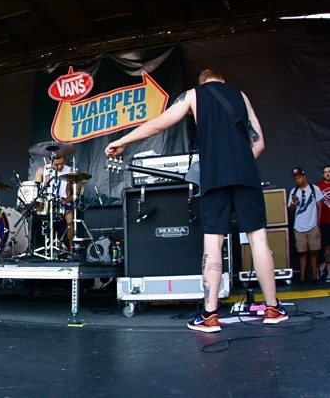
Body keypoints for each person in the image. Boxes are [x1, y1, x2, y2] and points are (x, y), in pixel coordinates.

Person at [105, 69, 288, 332]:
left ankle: (210, 316)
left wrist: (123, 141)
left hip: (214, 175)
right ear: (222, 80)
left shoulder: (193, 95)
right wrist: (239, 165)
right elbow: (258, 144)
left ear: (202, 84)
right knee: (258, 237)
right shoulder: (240, 95)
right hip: (245, 173)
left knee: (213, 241)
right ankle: (272, 309)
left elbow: (159, 124)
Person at [34, 156, 78, 251]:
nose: (60, 166)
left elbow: (76, 192)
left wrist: (66, 200)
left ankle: (71, 250)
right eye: (57, 164)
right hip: (46, 201)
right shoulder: (42, 170)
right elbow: (35, 189)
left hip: (62, 201)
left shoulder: (70, 171)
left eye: (62, 163)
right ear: (51, 161)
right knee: (30, 214)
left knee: (70, 220)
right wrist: (44, 184)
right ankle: (35, 248)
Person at [288, 168, 323, 284]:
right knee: (302, 252)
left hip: (313, 225)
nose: (298, 180)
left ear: (304, 176)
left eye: (299, 177)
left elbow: (320, 206)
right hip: (299, 226)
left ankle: (314, 276)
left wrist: (318, 223)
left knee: (314, 252)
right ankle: (302, 278)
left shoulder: (314, 189)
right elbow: (290, 210)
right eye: (296, 178)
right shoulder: (294, 191)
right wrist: (293, 202)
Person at [316, 166, 330, 282]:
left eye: (329, 172)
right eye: (325, 172)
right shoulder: (318, 187)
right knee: (327, 247)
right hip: (325, 221)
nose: (327, 174)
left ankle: (323, 266)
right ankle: (327, 272)